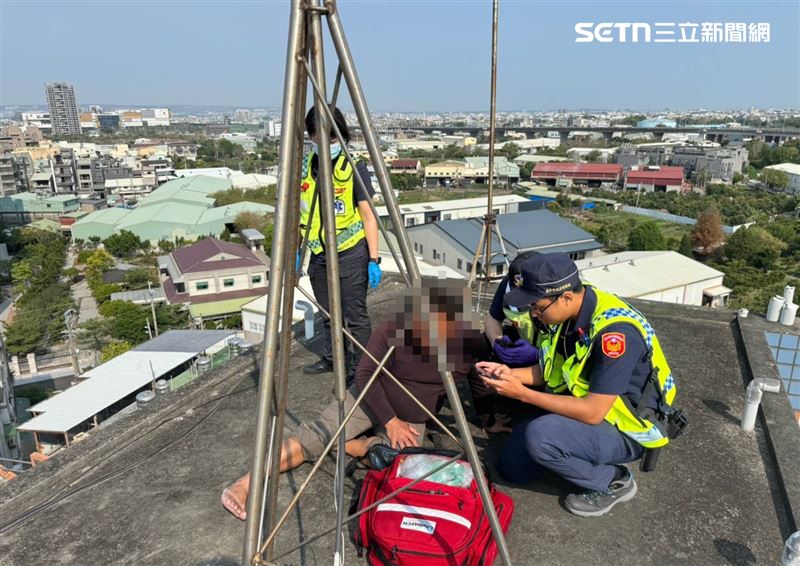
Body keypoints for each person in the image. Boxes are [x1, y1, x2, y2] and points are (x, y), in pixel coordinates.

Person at [222, 280, 498, 521]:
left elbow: (479, 379)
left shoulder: (470, 343)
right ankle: (246, 483)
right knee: (314, 436)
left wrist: (489, 421)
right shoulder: (395, 329)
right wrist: (390, 422)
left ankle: (353, 445)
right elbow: (365, 373)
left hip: (414, 416)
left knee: (398, 463)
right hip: (369, 397)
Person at [478, 253, 678, 517]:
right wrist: (510, 375)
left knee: (540, 437)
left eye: (537, 307)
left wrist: (523, 394)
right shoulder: (569, 315)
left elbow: (593, 411)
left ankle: (613, 480)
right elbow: (552, 372)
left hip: (625, 427)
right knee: (511, 468)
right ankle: (565, 450)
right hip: (590, 409)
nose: (534, 315)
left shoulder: (615, 336)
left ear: (566, 297)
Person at [299, 105, 381, 381]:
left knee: (355, 316)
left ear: (341, 135)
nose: (325, 144)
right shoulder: (308, 166)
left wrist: (373, 258)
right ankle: (335, 358)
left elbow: (368, 216)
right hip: (319, 253)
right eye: (317, 138)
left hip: (350, 253)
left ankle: (363, 369)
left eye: (332, 139)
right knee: (327, 313)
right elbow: (302, 212)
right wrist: (300, 251)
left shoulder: (353, 166)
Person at [484, 251, 541, 368]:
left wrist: (539, 355)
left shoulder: (561, 299)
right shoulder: (509, 283)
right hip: (525, 345)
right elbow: (493, 318)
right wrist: (497, 342)